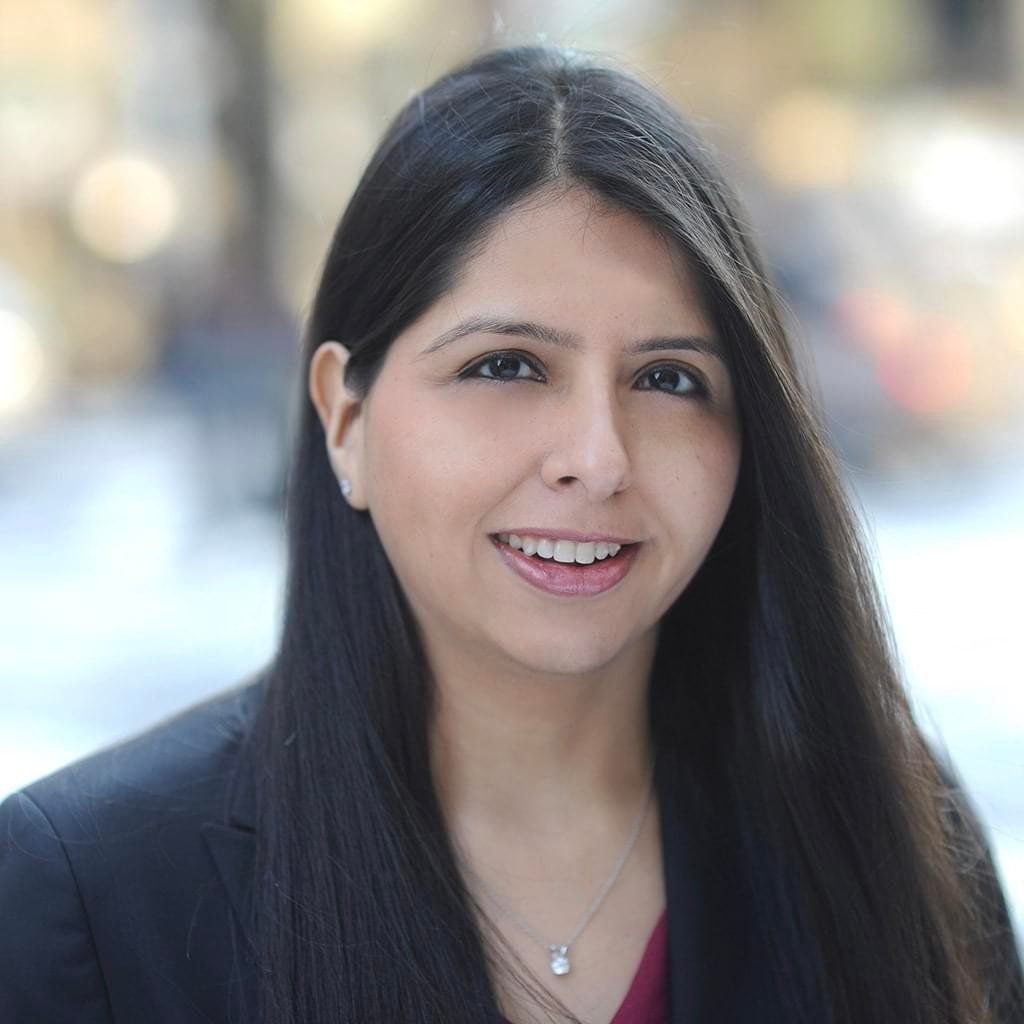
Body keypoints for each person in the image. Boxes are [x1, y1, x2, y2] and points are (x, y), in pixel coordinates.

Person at [1, 44, 1021, 1024]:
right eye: (506, 366)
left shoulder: (884, 829)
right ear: (345, 419)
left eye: (667, 378)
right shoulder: (86, 897)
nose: (598, 457)